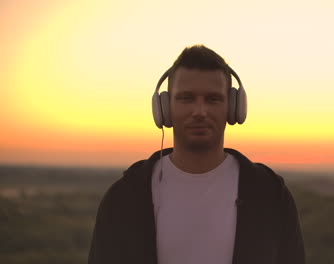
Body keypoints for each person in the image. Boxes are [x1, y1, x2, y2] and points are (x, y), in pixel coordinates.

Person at [88, 45, 305, 264]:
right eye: (186, 98)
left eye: (212, 99)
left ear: (233, 108)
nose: (200, 111)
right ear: (164, 108)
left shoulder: (270, 194)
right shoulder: (125, 197)